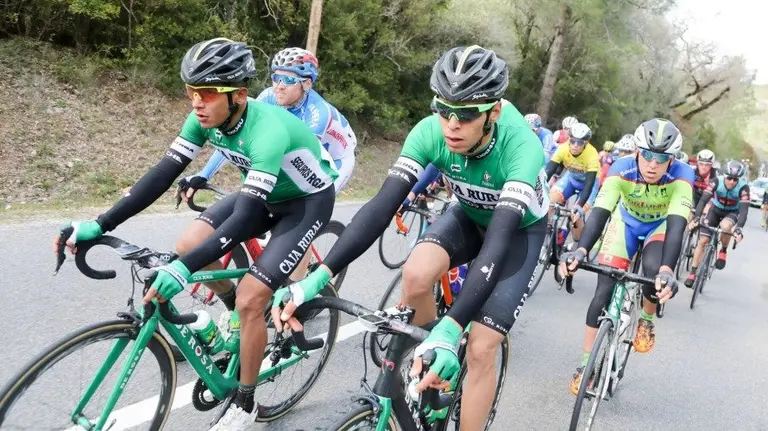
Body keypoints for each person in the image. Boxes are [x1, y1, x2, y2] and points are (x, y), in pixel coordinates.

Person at [54, 38, 339, 429]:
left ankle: (246, 401)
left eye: (206, 93)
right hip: (264, 193)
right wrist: (101, 223)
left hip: (305, 203)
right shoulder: (204, 119)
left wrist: (182, 271)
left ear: (239, 95)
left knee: (252, 297)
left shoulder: (267, 130)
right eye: (191, 92)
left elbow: (244, 218)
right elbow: (161, 175)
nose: (196, 102)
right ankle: (234, 323)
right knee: (189, 244)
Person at [272, 45, 549, 430]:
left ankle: (451, 360)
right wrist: (317, 279)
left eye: (466, 114)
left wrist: (452, 330)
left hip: (517, 232)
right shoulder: (429, 132)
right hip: (467, 214)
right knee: (415, 275)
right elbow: (380, 208)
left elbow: (498, 242)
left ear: (494, 112)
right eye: (443, 109)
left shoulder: (521, 147)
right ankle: (433, 371)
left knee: (483, 347)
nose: (452, 124)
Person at [558, 118, 693, 394]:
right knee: (603, 291)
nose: (653, 164)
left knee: (654, 271)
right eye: (647, 155)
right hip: (626, 223)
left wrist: (668, 270)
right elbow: (600, 214)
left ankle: (646, 320)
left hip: (660, 225)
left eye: (661, 158)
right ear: (637, 153)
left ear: (672, 160)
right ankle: (586, 366)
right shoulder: (621, 168)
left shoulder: (683, 176)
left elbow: (677, 225)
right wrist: (581, 250)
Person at [181, 47, 357, 197]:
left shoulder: (317, 113)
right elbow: (233, 140)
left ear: (307, 83)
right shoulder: (267, 97)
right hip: (298, 149)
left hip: (336, 158)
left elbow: (303, 160)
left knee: (309, 202)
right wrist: (204, 174)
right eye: (276, 78)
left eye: (288, 80)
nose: (279, 86)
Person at [685, 160, 749, 287]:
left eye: (735, 180)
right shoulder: (716, 181)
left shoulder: (743, 188)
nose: (732, 182)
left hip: (731, 213)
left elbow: (744, 211)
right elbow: (703, 200)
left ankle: (723, 251)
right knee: (702, 241)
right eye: (729, 178)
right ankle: (692, 273)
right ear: (724, 176)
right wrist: (697, 217)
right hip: (715, 210)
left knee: (726, 226)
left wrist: (739, 228)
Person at [545, 122, 600, 247]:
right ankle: (549, 230)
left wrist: (579, 206)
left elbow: (589, 185)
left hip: (588, 185)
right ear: (569, 139)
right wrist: (539, 188)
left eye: (580, 143)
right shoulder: (563, 148)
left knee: (576, 215)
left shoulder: (592, 155)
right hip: (570, 179)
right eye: (573, 141)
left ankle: (576, 244)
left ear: (586, 143)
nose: (575, 145)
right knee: (550, 201)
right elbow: (549, 171)